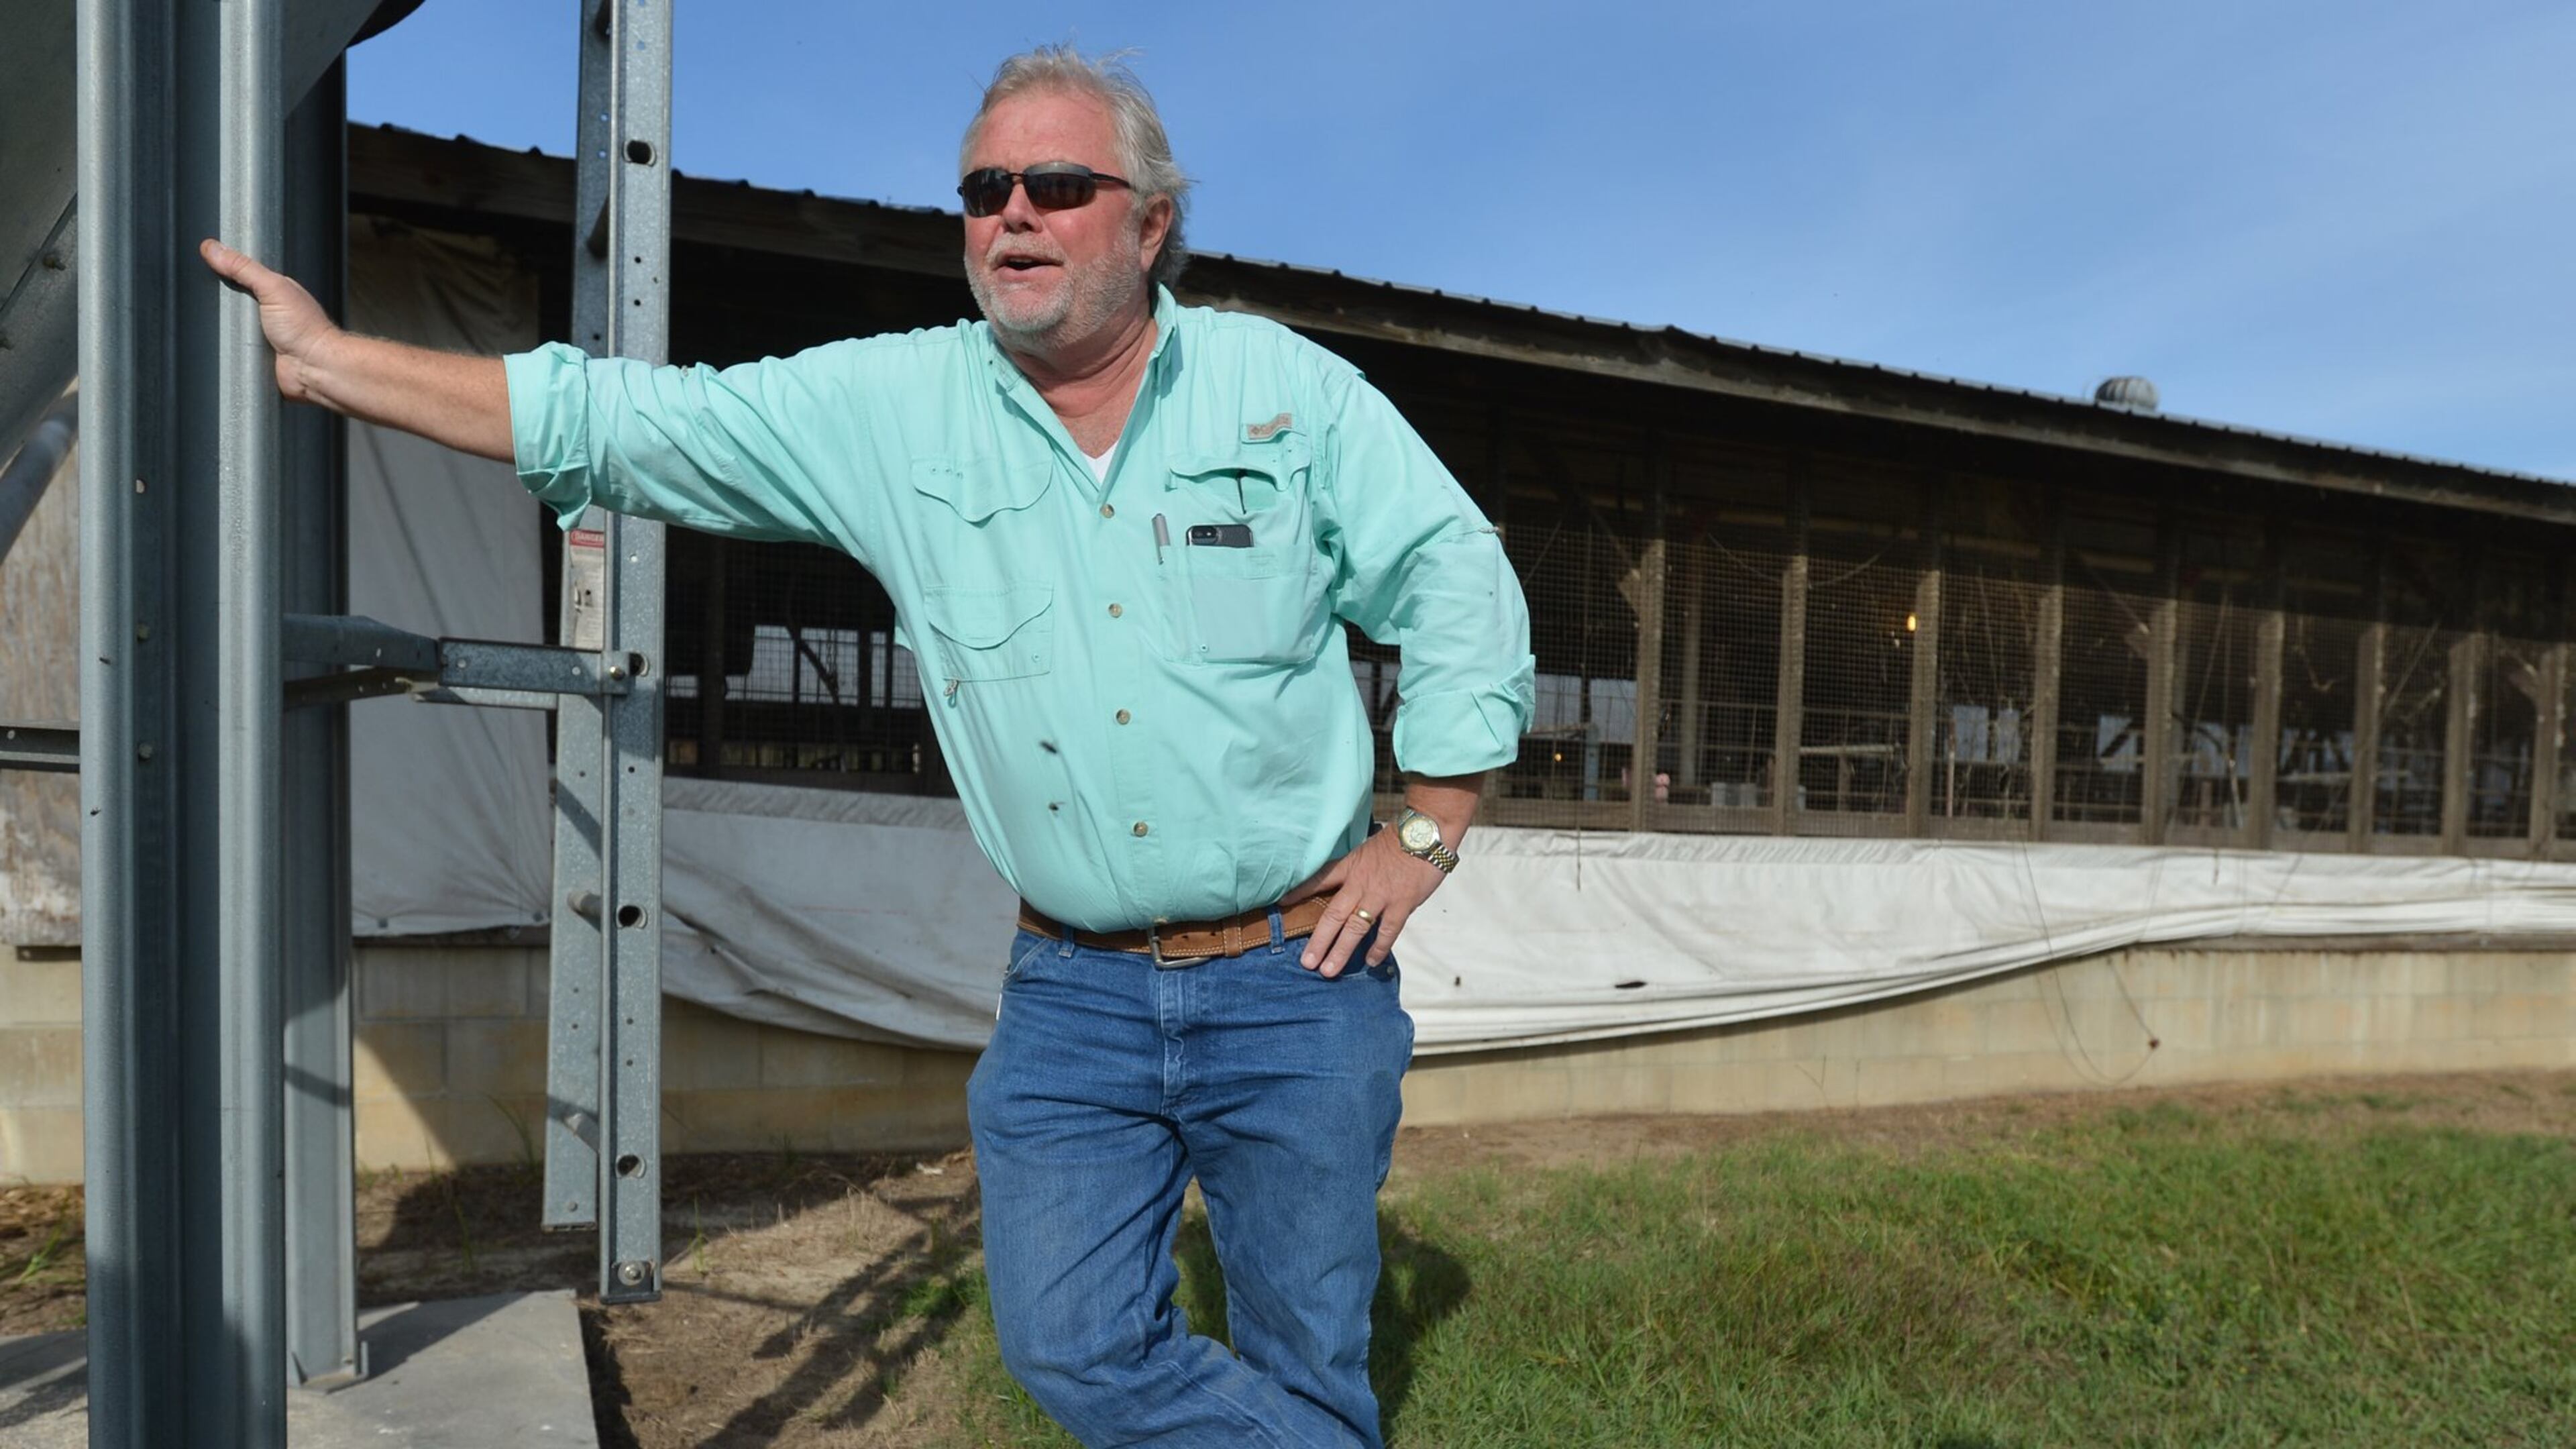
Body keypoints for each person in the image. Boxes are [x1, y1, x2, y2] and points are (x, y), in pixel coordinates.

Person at [204, 45, 1534, 1448]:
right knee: (1076, 1348)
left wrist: (1431, 826)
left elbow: (1453, 577)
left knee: (1305, 1350)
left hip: (1296, 973)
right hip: (1071, 995)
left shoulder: (1282, 393)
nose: (1011, 212)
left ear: (1149, 225)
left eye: (1057, 184)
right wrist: (335, 363)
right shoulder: (897, 412)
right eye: (983, 188)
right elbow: (632, 424)